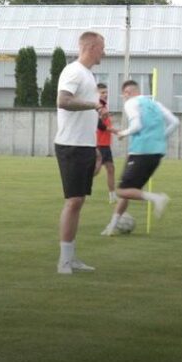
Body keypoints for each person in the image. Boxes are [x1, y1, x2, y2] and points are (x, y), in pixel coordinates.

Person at [54, 31, 108, 275]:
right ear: (92, 47)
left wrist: (95, 148)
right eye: (102, 48)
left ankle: (71, 257)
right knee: (73, 200)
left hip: (84, 146)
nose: (104, 52)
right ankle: (64, 261)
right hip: (71, 145)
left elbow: (86, 117)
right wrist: (94, 105)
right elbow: (63, 101)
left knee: (79, 201)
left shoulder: (88, 75)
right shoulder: (73, 71)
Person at [101, 80, 179, 235]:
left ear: (127, 93)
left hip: (141, 152)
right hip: (156, 153)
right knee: (129, 191)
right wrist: (160, 137)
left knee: (121, 191)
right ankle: (111, 227)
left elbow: (136, 126)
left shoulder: (131, 103)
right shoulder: (155, 103)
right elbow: (175, 122)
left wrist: (122, 133)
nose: (124, 98)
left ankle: (156, 198)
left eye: (124, 95)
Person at [93, 83, 118, 204]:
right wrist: (113, 130)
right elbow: (99, 125)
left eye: (106, 92)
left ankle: (112, 196)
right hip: (99, 143)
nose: (105, 94)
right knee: (96, 170)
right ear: (96, 94)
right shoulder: (97, 106)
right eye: (102, 92)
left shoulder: (104, 106)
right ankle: (78, 184)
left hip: (105, 143)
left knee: (110, 169)